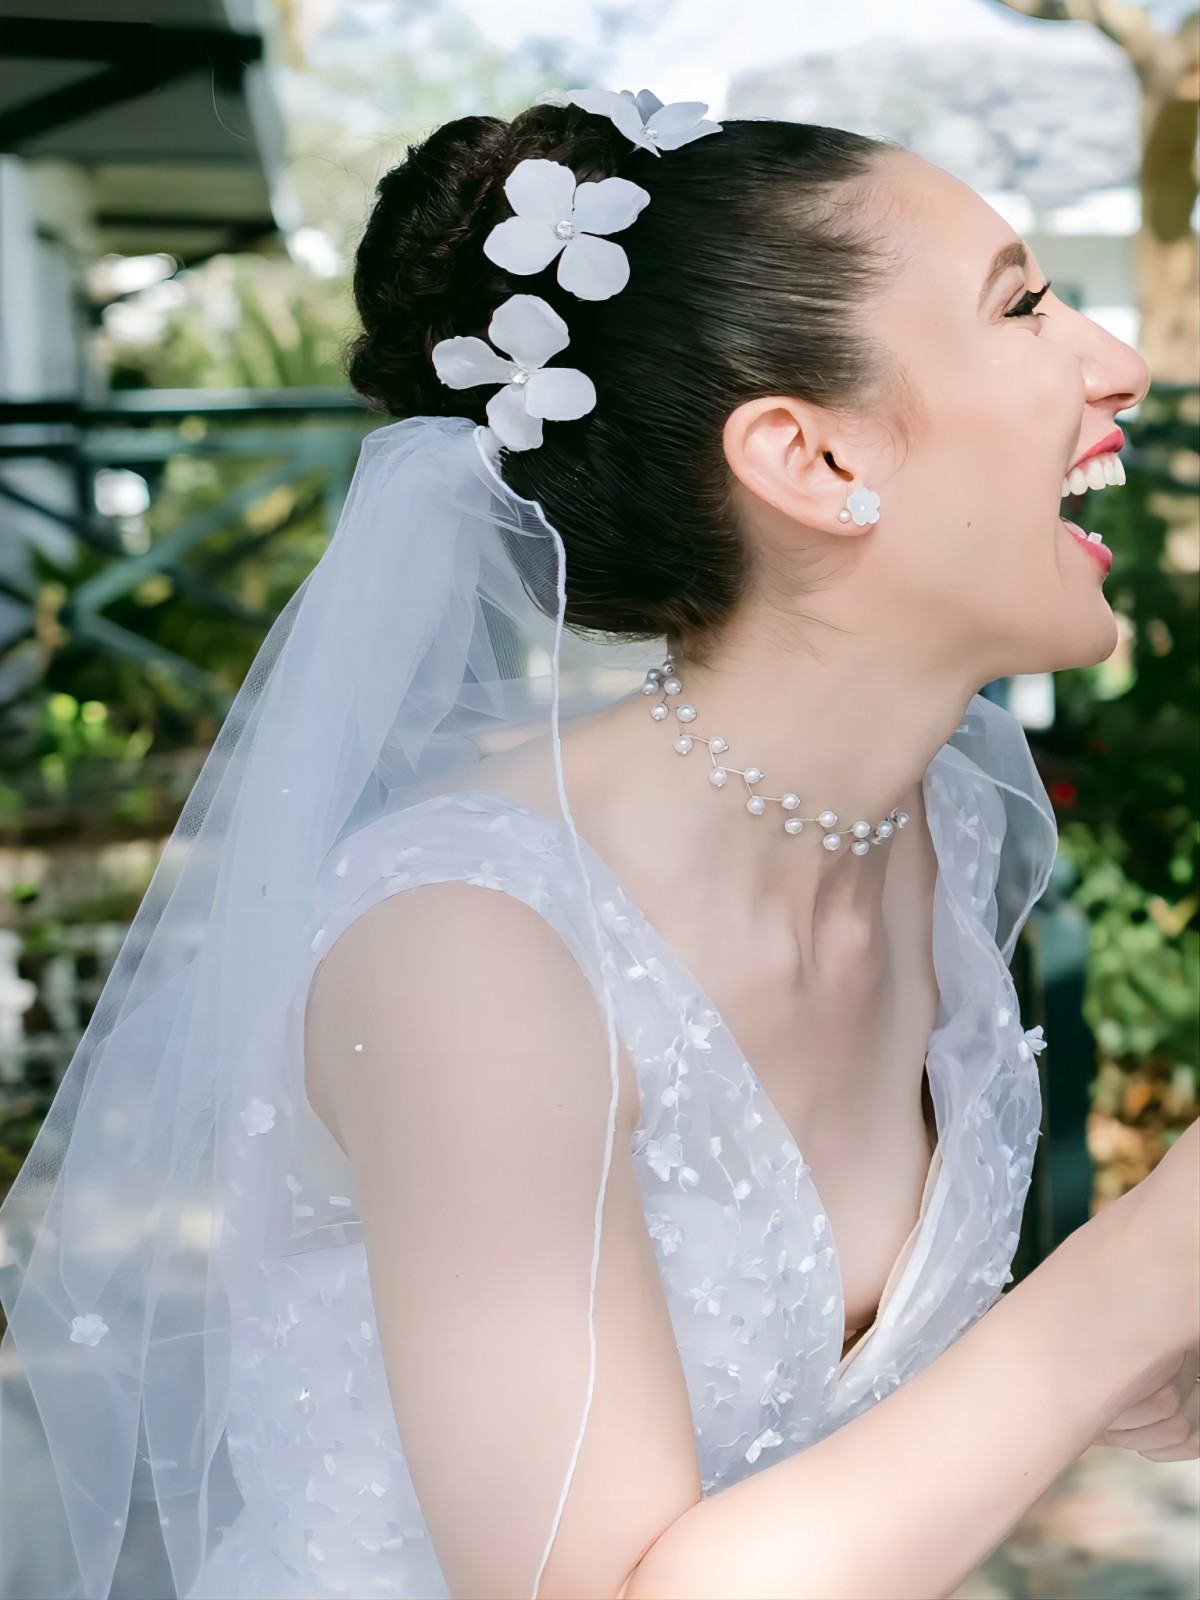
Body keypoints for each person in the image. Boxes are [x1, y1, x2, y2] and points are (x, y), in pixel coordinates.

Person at [0, 88, 1196, 1600]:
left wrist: (1123, 1362)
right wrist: (1123, 1282)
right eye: (1024, 306)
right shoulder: (472, 954)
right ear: (812, 461)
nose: (1120, 362)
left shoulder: (942, 820)